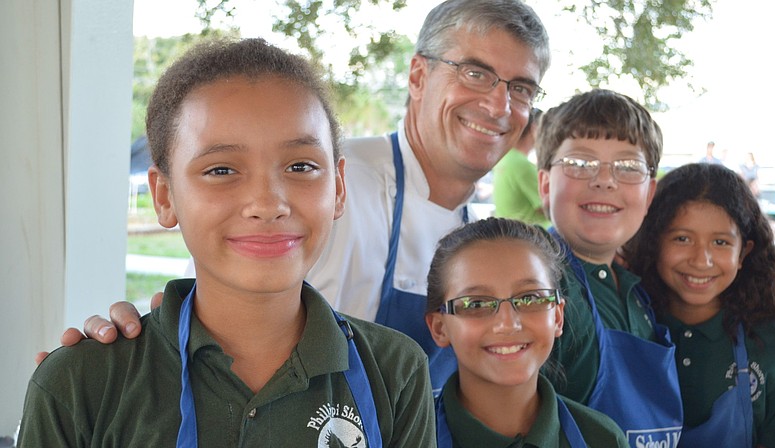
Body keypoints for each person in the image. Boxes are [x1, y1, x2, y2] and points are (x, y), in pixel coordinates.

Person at [2, 39, 438, 448]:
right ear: (164, 196)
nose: (268, 203)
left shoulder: (394, 372)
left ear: (339, 187)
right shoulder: (84, 382)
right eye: (221, 170)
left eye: (300, 166)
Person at [47, 0, 551, 392]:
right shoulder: (321, 184)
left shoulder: (475, 229)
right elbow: (208, 305)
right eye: (475, 73)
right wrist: (114, 357)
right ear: (418, 75)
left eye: (522, 87)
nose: (497, 104)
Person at [418, 217, 640, 448]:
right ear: (439, 327)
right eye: (476, 304)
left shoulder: (604, 444)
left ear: (558, 317)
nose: (508, 323)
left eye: (531, 298)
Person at [535, 89, 682, 448]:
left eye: (627, 166)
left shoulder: (637, 291)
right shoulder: (541, 285)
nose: (604, 179)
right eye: (580, 163)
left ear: (650, 193)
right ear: (545, 183)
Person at [626, 163, 775, 448]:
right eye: (682, 238)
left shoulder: (773, 341)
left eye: (721, 242)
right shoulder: (626, 322)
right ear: (653, 241)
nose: (701, 260)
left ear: (744, 253)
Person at [492, 107, 550, 227]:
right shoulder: (522, 165)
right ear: (534, 128)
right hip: (533, 237)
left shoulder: (505, 158)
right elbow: (547, 208)